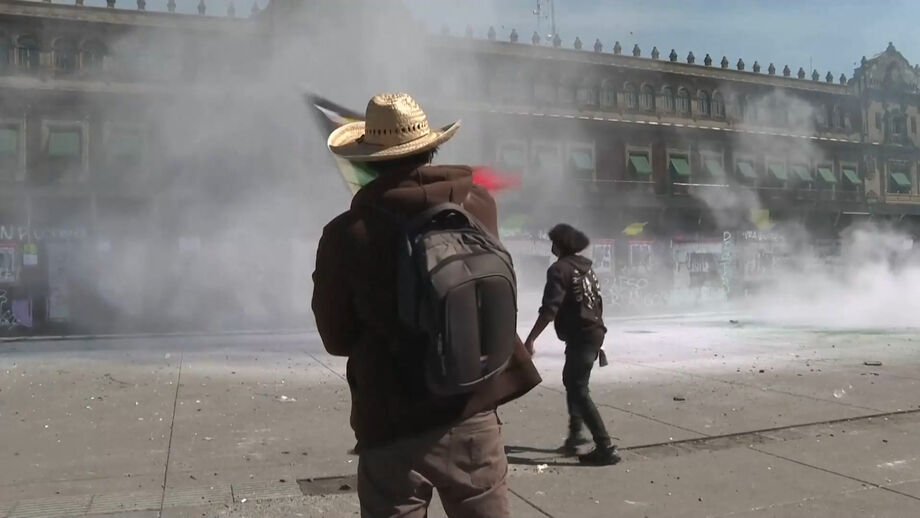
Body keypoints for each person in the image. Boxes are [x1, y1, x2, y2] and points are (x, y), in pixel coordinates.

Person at [312, 93, 541, 518]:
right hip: (473, 406)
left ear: (367, 158)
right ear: (430, 146)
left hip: (392, 417)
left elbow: (336, 337)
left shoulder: (347, 233)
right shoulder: (478, 205)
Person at [523, 223, 620, 466]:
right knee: (573, 382)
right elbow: (597, 302)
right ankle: (576, 436)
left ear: (561, 245)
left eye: (553, 242)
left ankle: (605, 446)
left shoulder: (559, 270)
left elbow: (549, 309)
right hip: (591, 333)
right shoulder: (587, 269)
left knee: (577, 388)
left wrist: (531, 337)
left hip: (583, 335)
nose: (551, 246)